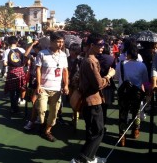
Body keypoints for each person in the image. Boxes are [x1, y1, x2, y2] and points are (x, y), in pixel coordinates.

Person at [71, 33, 114, 163]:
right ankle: (82, 159)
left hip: (89, 100)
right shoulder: (90, 61)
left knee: (92, 131)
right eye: (100, 44)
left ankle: (90, 157)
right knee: (98, 131)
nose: (103, 47)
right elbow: (99, 84)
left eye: (104, 45)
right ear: (91, 45)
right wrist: (109, 76)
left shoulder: (88, 58)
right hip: (92, 101)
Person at [35, 32, 68, 142]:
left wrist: (66, 85)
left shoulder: (63, 55)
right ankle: (42, 124)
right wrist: (39, 85)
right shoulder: (42, 53)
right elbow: (38, 69)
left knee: (54, 112)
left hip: (57, 89)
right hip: (44, 87)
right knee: (41, 110)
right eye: (58, 41)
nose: (60, 44)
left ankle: (47, 131)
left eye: (62, 42)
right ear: (52, 41)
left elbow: (65, 71)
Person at [114, 43, 148, 147]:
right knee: (136, 113)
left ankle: (122, 136)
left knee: (123, 114)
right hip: (136, 93)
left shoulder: (121, 64)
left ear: (127, 54)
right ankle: (135, 131)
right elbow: (145, 81)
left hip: (123, 93)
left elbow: (116, 77)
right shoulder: (142, 65)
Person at [3, 36, 27, 114]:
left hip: (11, 72)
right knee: (19, 89)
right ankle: (16, 106)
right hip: (20, 71)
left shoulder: (7, 51)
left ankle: (13, 107)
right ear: (16, 42)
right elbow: (27, 59)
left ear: (9, 43)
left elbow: (4, 63)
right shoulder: (22, 50)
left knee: (12, 91)